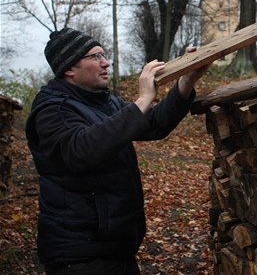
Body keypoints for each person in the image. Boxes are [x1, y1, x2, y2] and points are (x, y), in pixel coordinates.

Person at [25, 27, 208, 274]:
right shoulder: (53, 110)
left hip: (116, 246)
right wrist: (143, 99)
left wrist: (186, 81)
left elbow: (154, 124)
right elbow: (82, 151)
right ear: (69, 69)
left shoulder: (103, 100)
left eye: (104, 54)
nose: (105, 62)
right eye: (95, 57)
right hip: (79, 254)